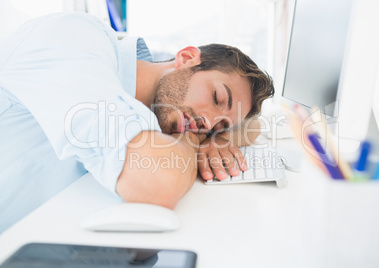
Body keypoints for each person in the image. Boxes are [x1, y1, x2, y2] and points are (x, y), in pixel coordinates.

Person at [0, 12, 274, 232]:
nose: (207, 122)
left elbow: (253, 126)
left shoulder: (154, 102)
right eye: (217, 97)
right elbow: (158, 182)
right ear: (187, 58)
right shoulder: (72, 39)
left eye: (219, 125)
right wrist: (192, 138)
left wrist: (221, 138)